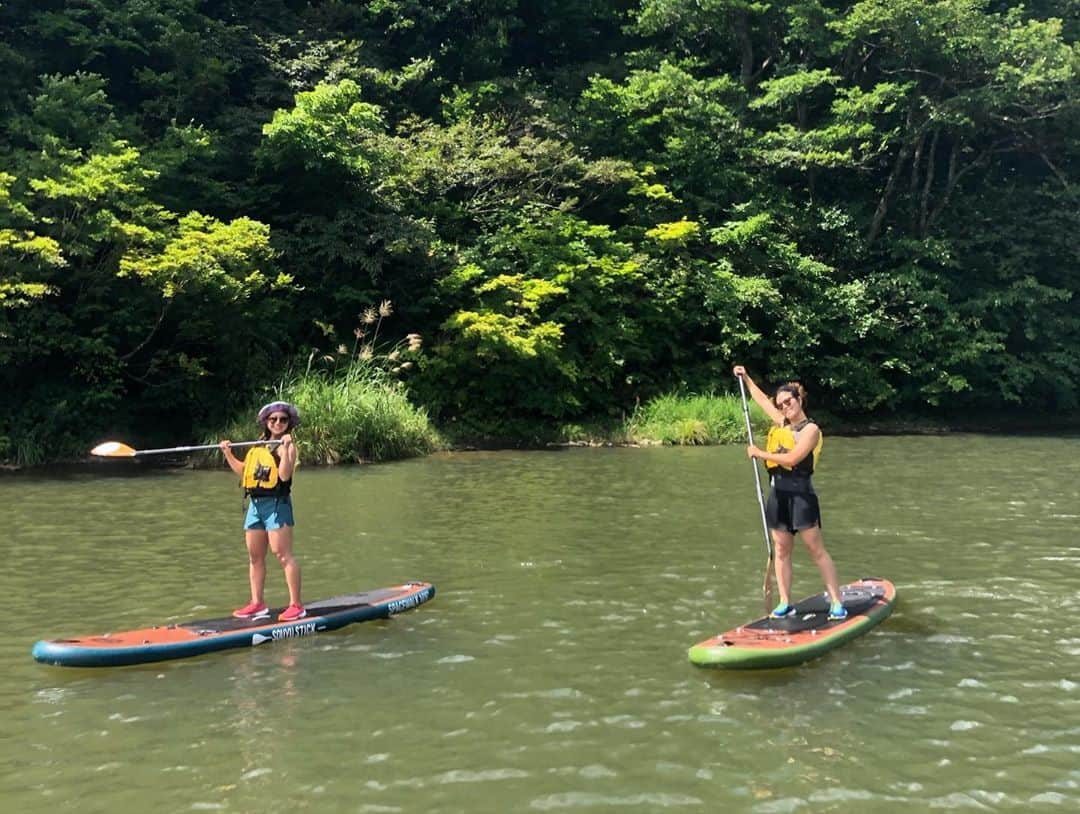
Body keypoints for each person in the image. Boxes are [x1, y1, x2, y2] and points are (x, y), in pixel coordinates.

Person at [732, 365, 847, 621]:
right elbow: (761, 400)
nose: (784, 407)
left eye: (788, 401)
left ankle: (837, 602)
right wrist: (746, 377)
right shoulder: (781, 422)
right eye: (781, 404)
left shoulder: (811, 430)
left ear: (799, 399)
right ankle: (785, 602)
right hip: (778, 494)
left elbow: (794, 458)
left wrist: (760, 453)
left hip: (801, 495)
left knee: (815, 549)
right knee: (782, 550)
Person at [220, 401, 305, 622]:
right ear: (266, 422)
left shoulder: (288, 446)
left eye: (283, 420)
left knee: (282, 554)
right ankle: (257, 603)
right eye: (273, 419)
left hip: (277, 505)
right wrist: (228, 453)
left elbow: (284, 476)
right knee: (255, 556)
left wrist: (286, 450)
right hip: (256, 506)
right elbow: (244, 472)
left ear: (289, 424)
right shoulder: (258, 445)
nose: (278, 423)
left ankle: (296, 605)